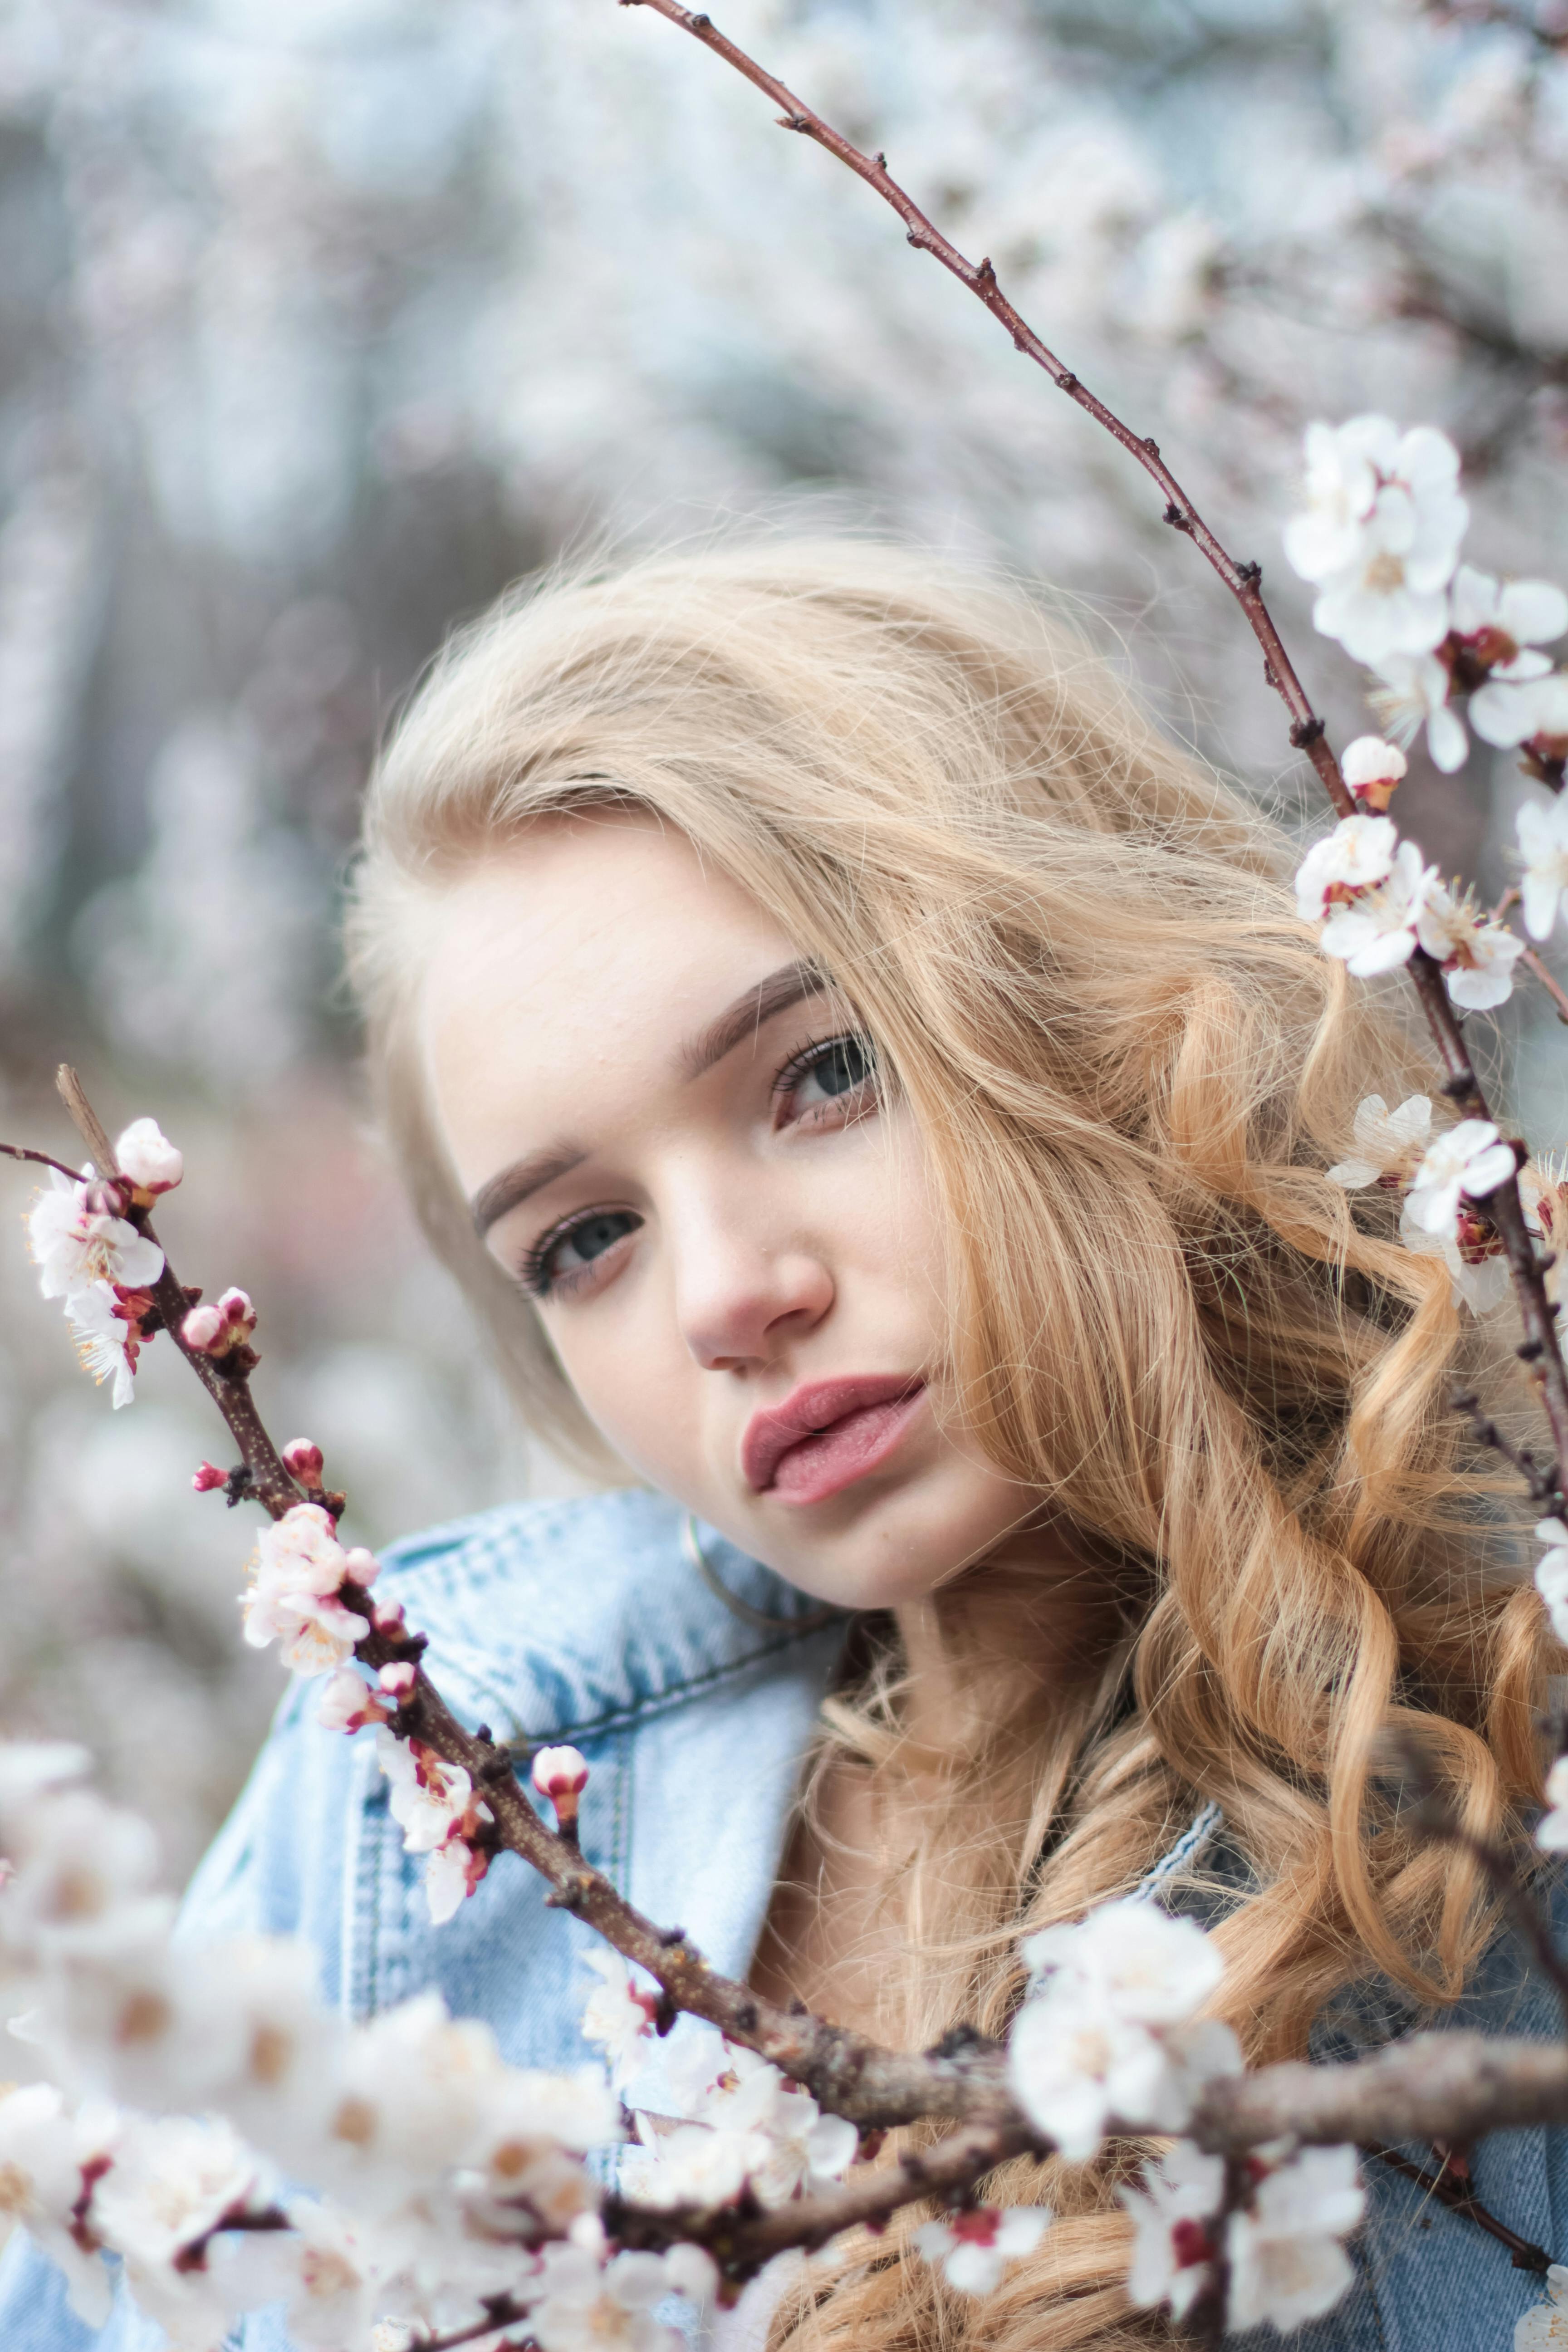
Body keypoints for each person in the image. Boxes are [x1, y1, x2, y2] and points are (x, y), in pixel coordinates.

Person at [2, 538, 1562, 2351]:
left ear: (1087, 1009)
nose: (725, 1299)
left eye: (822, 1076)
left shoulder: (1498, 1807)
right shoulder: (431, 1775)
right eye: (586, 1242)